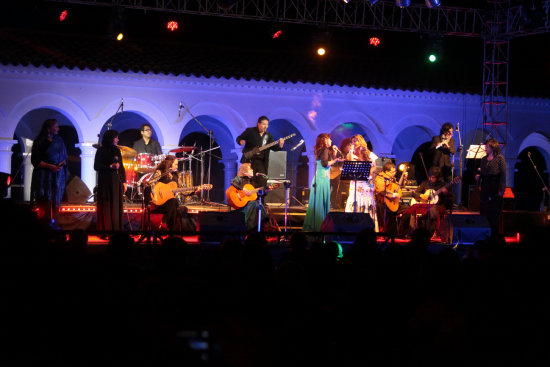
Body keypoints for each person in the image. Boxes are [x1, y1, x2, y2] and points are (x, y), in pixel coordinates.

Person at [30, 118, 68, 224]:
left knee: (55, 202)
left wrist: (61, 163)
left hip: (57, 177)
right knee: (44, 202)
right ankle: (44, 226)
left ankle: (55, 224)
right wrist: (50, 166)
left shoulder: (59, 140)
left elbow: (64, 157)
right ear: (48, 128)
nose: (58, 129)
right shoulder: (40, 141)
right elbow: (35, 161)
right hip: (44, 177)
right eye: (56, 126)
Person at [303, 133, 343, 231]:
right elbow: (325, 164)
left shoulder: (323, 150)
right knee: (320, 203)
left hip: (321, 178)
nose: (331, 141)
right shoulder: (324, 149)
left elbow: (326, 162)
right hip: (322, 179)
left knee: (318, 203)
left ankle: (318, 224)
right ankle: (320, 225)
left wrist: (334, 155)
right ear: (324, 140)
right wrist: (335, 161)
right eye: (329, 139)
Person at [147, 155, 195, 231]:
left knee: (173, 201)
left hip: (170, 203)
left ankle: (164, 224)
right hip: (159, 202)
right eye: (175, 164)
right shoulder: (160, 172)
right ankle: (170, 232)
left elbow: (183, 191)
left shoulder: (176, 176)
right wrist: (155, 195)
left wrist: (194, 191)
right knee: (174, 204)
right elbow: (151, 182)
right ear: (170, 164)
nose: (177, 166)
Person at [236, 116, 284, 188]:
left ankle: (261, 198)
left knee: (262, 182)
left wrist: (280, 145)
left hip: (261, 162)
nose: (266, 126)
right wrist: (241, 141)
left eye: (267, 124)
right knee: (248, 182)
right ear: (258, 124)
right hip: (249, 161)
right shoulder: (250, 131)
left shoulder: (268, 136)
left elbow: (273, 148)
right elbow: (239, 138)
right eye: (264, 124)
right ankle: (250, 198)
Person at [94, 130, 127, 232]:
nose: (118, 139)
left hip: (116, 182)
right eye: (116, 137)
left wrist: (124, 182)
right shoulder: (101, 150)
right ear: (110, 138)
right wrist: (110, 166)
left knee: (116, 205)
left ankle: (117, 230)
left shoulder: (116, 150)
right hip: (105, 182)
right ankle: (107, 231)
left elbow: (121, 166)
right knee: (107, 206)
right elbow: (96, 166)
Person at [410, 167, 454, 238]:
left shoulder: (443, 185)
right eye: (430, 177)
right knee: (413, 210)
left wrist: (446, 193)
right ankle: (413, 230)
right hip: (425, 204)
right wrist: (422, 195)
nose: (431, 179)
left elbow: (450, 198)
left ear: (438, 177)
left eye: (433, 177)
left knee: (432, 210)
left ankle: (431, 232)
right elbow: (414, 193)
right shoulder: (425, 183)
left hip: (439, 205)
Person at [345, 135, 379, 226]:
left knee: (367, 201)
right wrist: (351, 153)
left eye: (356, 141)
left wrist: (369, 173)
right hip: (356, 182)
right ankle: (353, 226)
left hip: (367, 182)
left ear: (361, 141)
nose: (354, 143)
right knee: (354, 200)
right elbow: (349, 166)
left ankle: (367, 226)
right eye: (352, 141)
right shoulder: (351, 154)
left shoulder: (369, 154)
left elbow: (375, 167)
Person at [228, 163, 270, 231]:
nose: (252, 170)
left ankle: (258, 225)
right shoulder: (239, 179)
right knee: (254, 203)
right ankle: (264, 222)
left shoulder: (250, 181)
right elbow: (233, 182)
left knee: (256, 202)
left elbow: (255, 195)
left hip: (247, 205)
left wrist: (266, 191)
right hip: (240, 205)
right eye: (250, 169)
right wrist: (243, 189)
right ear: (244, 172)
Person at [476, 138, 506, 234]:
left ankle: (493, 235)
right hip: (485, 187)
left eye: (487, 146)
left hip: (495, 186)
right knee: (485, 211)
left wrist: (501, 189)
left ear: (493, 147)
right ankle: (484, 234)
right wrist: (478, 178)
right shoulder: (483, 159)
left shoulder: (500, 159)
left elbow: (503, 175)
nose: (485, 147)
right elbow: (483, 174)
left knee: (493, 213)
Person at [374, 161, 408, 236]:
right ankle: (387, 234)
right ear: (386, 172)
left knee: (408, 209)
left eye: (395, 171)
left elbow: (400, 187)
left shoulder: (393, 179)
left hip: (393, 203)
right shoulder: (380, 177)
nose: (394, 173)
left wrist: (404, 179)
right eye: (392, 172)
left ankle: (402, 232)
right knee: (388, 220)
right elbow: (381, 190)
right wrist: (392, 194)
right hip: (383, 203)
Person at [330, 138, 352, 210]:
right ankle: (334, 204)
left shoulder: (348, 153)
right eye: (349, 145)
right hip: (333, 173)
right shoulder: (339, 152)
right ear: (345, 146)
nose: (350, 147)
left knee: (338, 190)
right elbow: (334, 161)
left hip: (339, 174)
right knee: (335, 189)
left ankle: (338, 204)